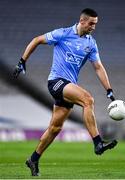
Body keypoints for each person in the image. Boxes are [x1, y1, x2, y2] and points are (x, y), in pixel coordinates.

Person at [13, 8, 117, 176]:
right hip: (56, 81)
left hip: (68, 85)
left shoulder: (90, 43)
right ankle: (98, 143)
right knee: (88, 99)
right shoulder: (62, 34)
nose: (93, 27)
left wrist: (109, 90)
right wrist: (22, 61)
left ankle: (33, 159)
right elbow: (37, 40)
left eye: (95, 24)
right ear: (82, 21)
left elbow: (98, 67)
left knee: (55, 128)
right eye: (91, 23)